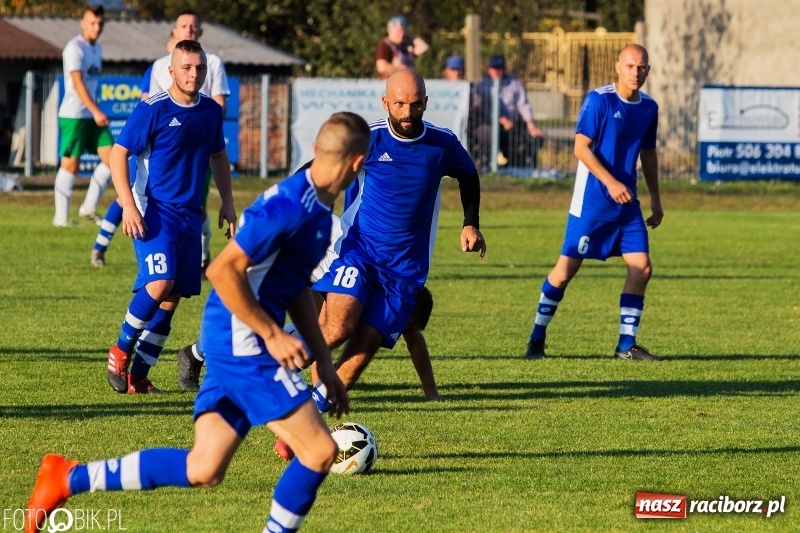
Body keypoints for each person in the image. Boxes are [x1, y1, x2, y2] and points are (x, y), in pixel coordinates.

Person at [23, 112, 369, 533]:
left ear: (316, 149)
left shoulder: (319, 210)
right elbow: (222, 270)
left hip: (232, 338)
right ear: (359, 163)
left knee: (204, 467)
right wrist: (272, 334)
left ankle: (67, 478)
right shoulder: (289, 206)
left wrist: (325, 363)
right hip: (244, 343)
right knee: (318, 451)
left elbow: (295, 285)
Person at [274, 69, 485, 460]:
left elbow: (469, 175)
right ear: (385, 102)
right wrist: (288, 210)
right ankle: (262, 366)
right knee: (337, 327)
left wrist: (470, 222)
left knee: (362, 351)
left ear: (426, 102)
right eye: (400, 103)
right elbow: (317, 168)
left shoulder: (441, 143)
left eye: (415, 104)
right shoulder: (369, 137)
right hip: (360, 251)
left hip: (405, 272)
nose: (408, 112)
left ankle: (299, 427)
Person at [177, 214, 441, 401]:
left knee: (314, 328)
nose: (398, 331)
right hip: (292, 248)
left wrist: (431, 391)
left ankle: (211, 359)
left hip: (315, 261)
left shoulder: (396, 294)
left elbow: (413, 337)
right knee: (262, 323)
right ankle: (203, 356)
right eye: (401, 326)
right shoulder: (372, 288)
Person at [104, 40, 237, 395]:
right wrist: (128, 205)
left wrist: (228, 201)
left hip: (190, 216)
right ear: (172, 71)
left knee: (171, 297)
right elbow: (118, 154)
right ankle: (120, 350)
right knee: (161, 282)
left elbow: (218, 156)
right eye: (187, 68)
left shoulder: (210, 111)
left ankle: (139, 375)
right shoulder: (153, 109)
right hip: (154, 212)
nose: (194, 74)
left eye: (200, 68)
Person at [524, 44, 664, 362]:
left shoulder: (649, 107)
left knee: (642, 268)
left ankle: (626, 345)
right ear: (617, 67)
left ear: (648, 70)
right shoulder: (599, 100)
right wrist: (611, 182)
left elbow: (648, 154)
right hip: (592, 204)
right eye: (630, 66)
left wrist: (656, 198)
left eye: (641, 67)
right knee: (565, 270)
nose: (636, 72)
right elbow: (581, 148)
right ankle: (536, 338)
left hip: (627, 205)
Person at [150, 10, 230, 275]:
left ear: (201, 32)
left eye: (194, 26)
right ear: (174, 31)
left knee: (197, 203)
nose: (189, 30)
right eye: (184, 26)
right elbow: (153, 107)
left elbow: (219, 104)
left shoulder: (213, 62)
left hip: (199, 150)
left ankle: (202, 256)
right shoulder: (160, 66)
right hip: (166, 155)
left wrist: (199, 126)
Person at [90, 33, 178, 267]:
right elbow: (146, 102)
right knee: (126, 198)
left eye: (191, 31)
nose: (186, 36)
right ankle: (100, 248)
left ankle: (200, 258)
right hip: (150, 150)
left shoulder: (200, 67)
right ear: (169, 43)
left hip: (178, 160)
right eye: (181, 33)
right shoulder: (157, 68)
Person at [53, 5, 114, 228]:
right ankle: (60, 218)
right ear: (83, 23)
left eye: (100, 23)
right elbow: (77, 83)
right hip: (75, 115)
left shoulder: (97, 48)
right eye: (92, 23)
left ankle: (88, 208)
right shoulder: (74, 48)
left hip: (92, 115)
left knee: (113, 159)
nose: (96, 27)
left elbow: (92, 84)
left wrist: (95, 108)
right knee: (70, 165)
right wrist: (96, 110)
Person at [473, 53, 545, 170]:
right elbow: (482, 109)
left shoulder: (514, 83)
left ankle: (523, 166)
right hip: (490, 124)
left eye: (500, 68)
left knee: (536, 138)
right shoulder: (483, 86)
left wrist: (531, 125)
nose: (498, 72)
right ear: (489, 70)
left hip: (514, 125)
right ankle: (485, 164)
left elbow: (523, 105)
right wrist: (501, 119)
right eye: (495, 69)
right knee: (486, 133)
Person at [375, 15, 429, 79]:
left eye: (404, 31)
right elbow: (381, 67)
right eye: (399, 31)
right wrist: (402, 69)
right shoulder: (385, 45)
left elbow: (424, 47)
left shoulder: (404, 46)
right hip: (391, 82)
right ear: (390, 30)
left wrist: (409, 37)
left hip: (406, 81)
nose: (402, 34)